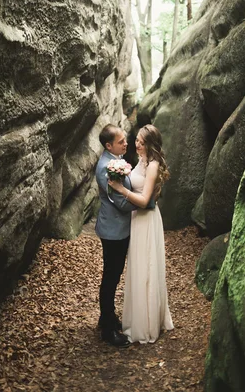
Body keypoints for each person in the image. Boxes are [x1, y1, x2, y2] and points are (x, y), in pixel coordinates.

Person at [108, 124, 174, 344]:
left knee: (147, 267)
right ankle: (138, 317)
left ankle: (147, 324)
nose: (136, 144)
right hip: (137, 220)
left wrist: (121, 190)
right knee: (137, 267)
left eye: (141, 142)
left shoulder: (153, 165)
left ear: (151, 145)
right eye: (136, 140)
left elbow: (145, 200)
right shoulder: (141, 161)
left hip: (146, 219)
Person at [95, 124, 139, 348]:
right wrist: (142, 204)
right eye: (121, 141)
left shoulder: (115, 160)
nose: (126, 143)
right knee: (111, 277)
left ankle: (108, 317)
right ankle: (108, 329)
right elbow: (120, 202)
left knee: (113, 274)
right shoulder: (106, 167)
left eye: (125, 140)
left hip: (117, 229)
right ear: (108, 145)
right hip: (113, 231)